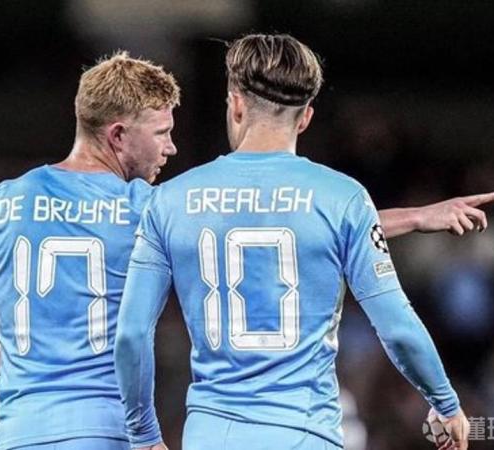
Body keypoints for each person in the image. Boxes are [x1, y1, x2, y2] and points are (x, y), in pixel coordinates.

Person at [114, 34, 474, 450]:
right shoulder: (342, 198)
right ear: (305, 118)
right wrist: (445, 403)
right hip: (305, 434)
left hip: (212, 436)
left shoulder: (170, 200)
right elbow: (396, 326)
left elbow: (132, 334)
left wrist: (144, 435)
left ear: (236, 104)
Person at [0, 52, 180, 450]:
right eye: (161, 133)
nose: (171, 147)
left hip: (19, 432)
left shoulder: (2, 202)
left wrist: (13, 366)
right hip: (103, 431)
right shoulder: (146, 208)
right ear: (119, 135)